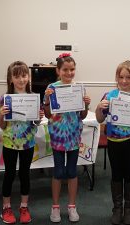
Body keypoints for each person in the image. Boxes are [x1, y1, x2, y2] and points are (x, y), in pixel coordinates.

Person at [96, 60, 130, 225]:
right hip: (114, 142)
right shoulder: (110, 96)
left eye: (129, 77)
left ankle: (129, 209)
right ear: (117, 77)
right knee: (116, 175)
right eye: (121, 77)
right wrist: (99, 108)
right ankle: (117, 208)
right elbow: (100, 119)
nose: (125, 81)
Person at [43, 53, 91, 223]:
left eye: (72, 69)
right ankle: (55, 207)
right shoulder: (51, 87)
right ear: (58, 70)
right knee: (58, 171)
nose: (69, 73)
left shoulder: (79, 88)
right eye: (65, 69)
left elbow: (83, 115)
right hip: (57, 135)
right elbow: (48, 114)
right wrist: (47, 100)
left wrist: (86, 104)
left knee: (72, 171)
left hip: (73, 135)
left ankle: (72, 206)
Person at [0, 61, 44, 224]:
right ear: (10, 79)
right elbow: (2, 126)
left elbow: (36, 123)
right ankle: (6, 207)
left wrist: (39, 117)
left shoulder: (33, 97)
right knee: (9, 174)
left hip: (27, 143)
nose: (21, 79)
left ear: (28, 77)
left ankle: (24, 206)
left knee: (25, 175)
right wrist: (2, 115)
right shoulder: (5, 99)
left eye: (24, 75)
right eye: (16, 76)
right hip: (9, 143)